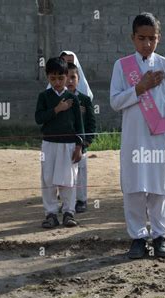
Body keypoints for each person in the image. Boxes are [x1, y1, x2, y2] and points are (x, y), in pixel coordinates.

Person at [110, 12, 165, 259]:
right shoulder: (122, 66)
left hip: (160, 138)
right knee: (134, 189)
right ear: (133, 38)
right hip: (133, 139)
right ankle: (138, 237)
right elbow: (115, 101)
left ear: (158, 38)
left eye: (152, 38)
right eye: (142, 38)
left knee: (159, 188)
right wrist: (140, 87)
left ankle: (160, 235)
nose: (147, 44)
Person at [35, 57, 84, 228]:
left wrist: (80, 146)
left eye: (61, 78)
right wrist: (57, 109)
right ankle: (50, 213)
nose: (57, 82)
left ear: (67, 77)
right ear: (47, 77)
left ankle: (69, 212)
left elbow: (79, 125)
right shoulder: (44, 97)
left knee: (68, 180)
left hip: (69, 145)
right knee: (48, 179)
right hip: (49, 144)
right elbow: (39, 118)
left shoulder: (73, 98)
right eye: (53, 78)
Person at [66, 63, 96, 213]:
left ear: (78, 79)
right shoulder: (57, 99)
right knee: (65, 174)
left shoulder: (84, 100)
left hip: (80, 145)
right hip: (63, 144)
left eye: (73, 77)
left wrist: (87, 141)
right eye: (66, 77)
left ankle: (81, 200)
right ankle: (67, 202)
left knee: (80, 174)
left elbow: (91, 123)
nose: (69, 81)